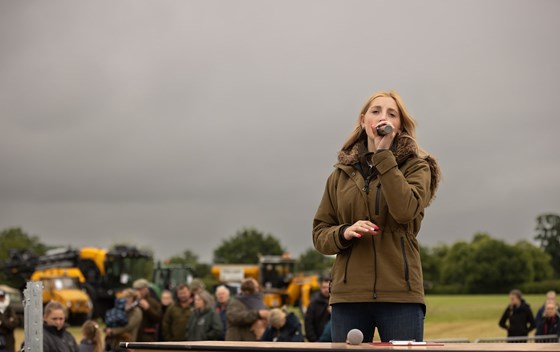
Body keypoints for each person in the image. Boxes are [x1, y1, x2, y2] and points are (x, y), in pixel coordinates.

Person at [312, 90, 441, 343]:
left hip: (400, 295)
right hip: (349, 296)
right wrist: (344, 232)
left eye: (392, 113)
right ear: (363, 121)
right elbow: (320, 233)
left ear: (399, 126)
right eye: (376, 111)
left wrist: (384, 156)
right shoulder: (339, 175)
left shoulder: (417, 166)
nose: (383, 117)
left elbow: (405, 211)